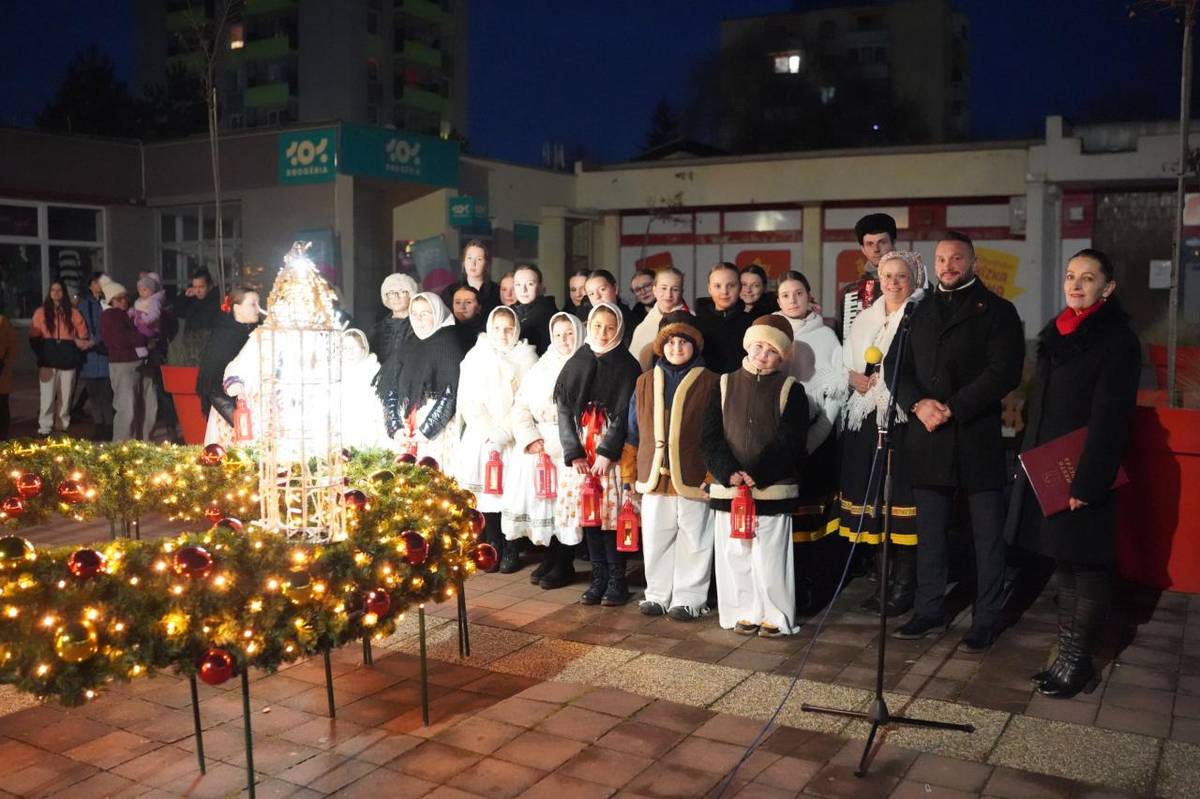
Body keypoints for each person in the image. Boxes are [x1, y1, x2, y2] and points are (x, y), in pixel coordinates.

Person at [1007, 249, 1139, 698]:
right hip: (1049, 467)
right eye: (1069, 276)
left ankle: (1078, 661)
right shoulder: (1058, 333)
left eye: (1087, 278)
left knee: (1088, 567)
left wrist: (1089, 481)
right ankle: (1065, 656)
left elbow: (1111, 419)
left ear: (1108, 287)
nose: (1075, 285)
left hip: (1083, 470)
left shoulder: (1117, 340)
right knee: (1063, 561)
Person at [890, 231, 1025, 652]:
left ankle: (986, 618)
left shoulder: (999, 311)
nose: (948, 266)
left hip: (974, 437)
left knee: (986, 535)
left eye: (956, 259)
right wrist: (917, 405)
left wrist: (952, 407)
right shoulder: (917, 310)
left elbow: (1004, 372)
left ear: (973, 263)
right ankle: (929, 609)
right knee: (929, 531)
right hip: (927, 436)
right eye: (942, 259)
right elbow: (896, 365)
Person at [702, 315, 809, 637]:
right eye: (759, 346)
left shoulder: (792, 390)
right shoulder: (722, 384)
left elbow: (791, 441)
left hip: (771, 488)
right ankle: (743, 611)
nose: (763, 354)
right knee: (736, 553)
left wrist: (758, 473)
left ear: (782, 357)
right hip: (730, 489)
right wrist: (727, 471)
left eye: (772, 351)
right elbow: (709, 436)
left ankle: (775, 615)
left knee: (770, 556)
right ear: (748, 345)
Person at [836, 253, 926, 616]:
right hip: (865, 417)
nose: (893, 282)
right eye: (887, 275)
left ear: (915, 279)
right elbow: (846, 361)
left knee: (899, 506)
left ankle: (905, 587)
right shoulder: (866, 318)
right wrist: (851, 376)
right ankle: (882, 582)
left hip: (902, 421)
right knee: (872, 505)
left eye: (901, 276)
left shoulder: (920, 315)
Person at [628, 311, 719, 620]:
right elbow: (632, 428)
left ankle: (690, 597)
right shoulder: (643, 382)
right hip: (654, 476)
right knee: (656, 537)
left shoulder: (712, 382)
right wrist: (630, 469)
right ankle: (656, 594)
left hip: (693, 474)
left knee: (695, 538)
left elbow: (719, 433)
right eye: (670, 342)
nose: (677, 348)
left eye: (684, 342)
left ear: (695, 345)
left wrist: (712, 473)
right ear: (660, 345)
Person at [554, 302, 641, 606]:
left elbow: (625, 413)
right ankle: (598, 578)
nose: (603, 333)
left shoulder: (628, 365)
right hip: (582, 454)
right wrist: (573, 452)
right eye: (597, 326)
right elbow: (563, 409)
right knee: (590, 517)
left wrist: (607, 451)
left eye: (610, 327)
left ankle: (617, 580)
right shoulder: (576, 361)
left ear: (619, 329)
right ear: (588, 327)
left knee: (611, 518)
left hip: (609, 456)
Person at [775, 271, 847, 610]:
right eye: (786, 294)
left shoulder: (827, 337)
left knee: (812, 523)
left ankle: (813, 592)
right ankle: (783, 588)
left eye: (798, 293)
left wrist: (812, 440)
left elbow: (833, 396)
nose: (793, 300)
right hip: (776, 445)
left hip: (813, 443)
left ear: (809, 296)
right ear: (778, 300)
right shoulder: (770, 332)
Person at [503, 311, 586, 589]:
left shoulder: (586, 363)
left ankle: (565, 562)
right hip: (539, 444)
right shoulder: (541, 365)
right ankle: (550, 557)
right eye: (559, 334)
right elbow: (521, 406)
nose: (564, 339)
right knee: (544, 504)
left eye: (570, 333)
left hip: (569, 445)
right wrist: (530, 437)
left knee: (565, 506)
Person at [453, 306, 538, 572]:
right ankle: (493, 544)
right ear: (490, 328)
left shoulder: (528, 358)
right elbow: (468, 399)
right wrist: (491, 431)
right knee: (487, 494)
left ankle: (511, 546)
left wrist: (505, 433)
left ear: (517, 330)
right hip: (484, 437)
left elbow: (526, 401)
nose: (503, 334)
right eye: (498, 328)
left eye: (509, 328)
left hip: (512, 438)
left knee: (509, 493)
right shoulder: (476, 356)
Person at [387, 292, 464, 466]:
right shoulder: (409, 344)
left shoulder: (449, 345)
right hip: (405, 426)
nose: (418, 319)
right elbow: (391, 386)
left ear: (437, 314)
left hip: (434, 433)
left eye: (425, 314)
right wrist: (395, 426)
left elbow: (449, 395)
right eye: (414, 314)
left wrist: (425, 432)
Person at [198, 288, 263, 446]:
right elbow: (212, 379)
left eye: (259, 304)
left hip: (249, 406)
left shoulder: (253, 332)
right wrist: (235, 416)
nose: (259, 309)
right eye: (253, 304)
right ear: (237, 308)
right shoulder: (225, 336)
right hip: (229, 409)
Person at [29, 280, 90, 436]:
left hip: (68, 363)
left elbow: (83, 336)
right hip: (48, 364)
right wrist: (43, 356)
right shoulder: (40, 313)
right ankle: (44, 429)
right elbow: (34, 339)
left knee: (66, 397)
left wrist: (74, 354)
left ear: (64, 293)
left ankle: (62, 427)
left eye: (59, 290)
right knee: (47, 397)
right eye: (53, 290)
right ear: (49, 293)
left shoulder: (74, 313)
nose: (56, 293)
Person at [100, 282, 156, 441]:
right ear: (111, 300)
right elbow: (118, 339)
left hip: (140, 363)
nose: (123, 301)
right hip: (123, 364)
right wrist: (143, 339)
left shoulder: (130, 314)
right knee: (127, 408)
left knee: (146, 406)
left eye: (125, 298)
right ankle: (122, 445)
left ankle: (142, 442)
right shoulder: (110, 315)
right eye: (119, 298)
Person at [839, 213, 896, 344]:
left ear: (893, 243)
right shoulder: (851, 292)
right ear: (863, 249)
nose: (876, 249)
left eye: (882, 242)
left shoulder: (916, 283)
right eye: (870, 244)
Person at [694, 263, 752, 374]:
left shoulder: (752, 324)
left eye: (731, 285)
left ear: (740, 287)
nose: (724, 292)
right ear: (709, 289)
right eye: (717, 286)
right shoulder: (695, 324)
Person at [77, 272, 113, 441]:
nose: (100, 285)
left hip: (104, 354)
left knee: (106, 394)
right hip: (90, 356)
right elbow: (78, 325)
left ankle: (108, 427)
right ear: (91, 284)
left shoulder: (108, 302)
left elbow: (107, 327)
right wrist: (81, 341)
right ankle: (99, 426)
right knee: (93, 394)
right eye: (97, 282)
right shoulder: (84, 304)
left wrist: (95, 340)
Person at [629, 266, 688, 368]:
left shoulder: (690, 321)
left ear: (681, 292)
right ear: (655, 290)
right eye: (663, 288)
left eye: (675, 289)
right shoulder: (643, 326)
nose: (668, 294)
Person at [371, 272, 418, 369]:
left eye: (402, 291)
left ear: (411, 295)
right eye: (391, 292)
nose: (396, 297)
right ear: (386, 297)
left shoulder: (419, 328)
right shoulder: (376, 330)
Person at [440, 239, 501, 314]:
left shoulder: (496, 292)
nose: (473, 263)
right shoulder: (450, 292)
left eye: (479, 259)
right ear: (464, 262)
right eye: (469, 258)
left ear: (486, 264)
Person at [510, 264, 558, 355]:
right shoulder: (512, 310)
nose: (523, 290)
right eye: (518, 284)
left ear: (540, 287)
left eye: (530, 284)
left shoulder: (546, 313)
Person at [584, 270, 636, 347]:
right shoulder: (587, 322)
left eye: (602, 289)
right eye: (591, 294)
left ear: (615, 288)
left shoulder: (631, 322)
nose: (597, 297)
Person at [177, 268, 222, 333]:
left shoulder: (216, 302)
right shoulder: (193, 300)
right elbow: (178, 312)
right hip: (192, 340)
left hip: (206, 340)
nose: (197, 291)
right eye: (195, 287)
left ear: (210, 286)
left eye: (201, 287)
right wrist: (185, 296)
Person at [449, 285, 486, 354]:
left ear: (479, 308)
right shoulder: (447, 331)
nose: (462, 307)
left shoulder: (486, 332)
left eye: (468, 302)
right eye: (457, 302)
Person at [0, 312, 15, 440]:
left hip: (2, 371)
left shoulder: (3, 321)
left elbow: (12, 346)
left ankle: (3, 437)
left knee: (2, 404)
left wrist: (4, 364)